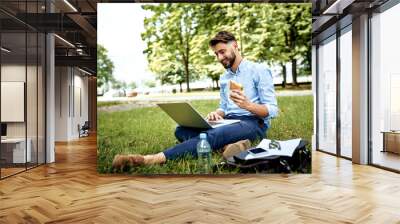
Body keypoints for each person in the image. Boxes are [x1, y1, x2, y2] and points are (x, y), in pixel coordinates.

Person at [112, 31, 278, 169]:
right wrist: (217, 113)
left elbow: (272, 110)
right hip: (228, 122)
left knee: (210, 135)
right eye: (216, 54)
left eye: (222, 52)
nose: (220, 58)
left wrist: (248, 105)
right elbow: (224, 107)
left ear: (235, 45)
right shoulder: (224, 77)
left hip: (253, 123)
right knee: (181, 130)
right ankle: (229, 146)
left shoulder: (259, 70)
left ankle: (150, 159)